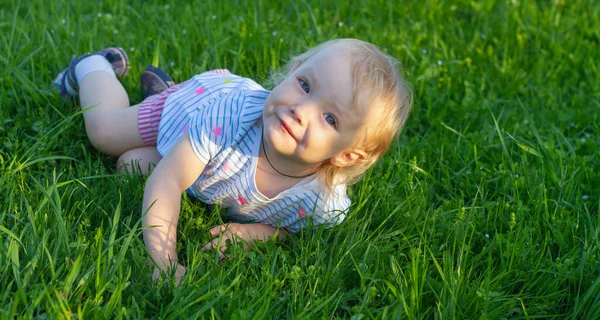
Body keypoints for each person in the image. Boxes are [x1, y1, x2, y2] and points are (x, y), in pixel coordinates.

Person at [53, 38, 413, 285]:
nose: (300, 110)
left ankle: (161, 92)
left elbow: (292, 231)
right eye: (304, 85)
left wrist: (259, 234)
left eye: (330, 118)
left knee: (131, 165)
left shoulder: (321, 202)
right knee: (105, 134)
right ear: (292, 69)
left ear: (348, 154)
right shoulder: (228, 117)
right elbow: (168, 182)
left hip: (203, 158)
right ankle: (93, 67)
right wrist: (163, 261)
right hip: (192, 109)